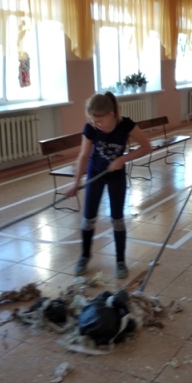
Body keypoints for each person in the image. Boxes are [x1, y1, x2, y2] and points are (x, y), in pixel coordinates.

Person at [67, 92, 152, 278]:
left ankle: (120, 261)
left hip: (116, 177)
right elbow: (84, 156)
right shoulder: (91, 128)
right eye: (92, 120)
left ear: (111, 114)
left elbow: (147, 146)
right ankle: (84, 256)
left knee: (117, 219)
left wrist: (122, 159)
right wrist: (76, 182)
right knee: (88, 218)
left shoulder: (125, 125)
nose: (95, 124)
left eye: (98, 121)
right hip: (95, 175)